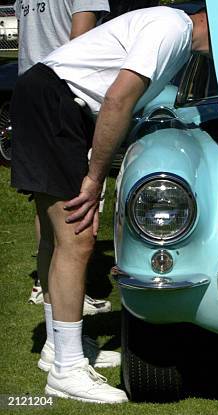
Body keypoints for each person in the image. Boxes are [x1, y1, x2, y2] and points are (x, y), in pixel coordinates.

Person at [10, 5, 210, 404]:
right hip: (56, 103)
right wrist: (96, 175)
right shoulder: (172, 27)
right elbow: (119, 99)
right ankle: (66, 371)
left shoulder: (175, 36)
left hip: (49, 97)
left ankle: (56, 349)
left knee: (55, 237)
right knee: (78, 238)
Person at [13, 0, 121, 380]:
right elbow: (82, 43)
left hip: (30, 96)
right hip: (63, 100)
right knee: (76, 234)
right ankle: (66, 357)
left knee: (50, 222)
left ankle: (56, 343)